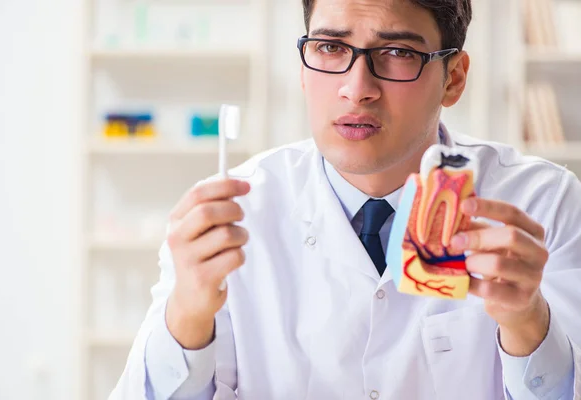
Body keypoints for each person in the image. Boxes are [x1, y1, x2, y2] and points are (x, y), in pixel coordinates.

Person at [110, 0, 581, 399]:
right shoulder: (228, 211)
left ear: (453, 77)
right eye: (331, 47)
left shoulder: (543, 203)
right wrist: (188, 315)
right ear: (302, 65)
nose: (357, 89)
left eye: (397, 52)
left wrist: (527, 323)